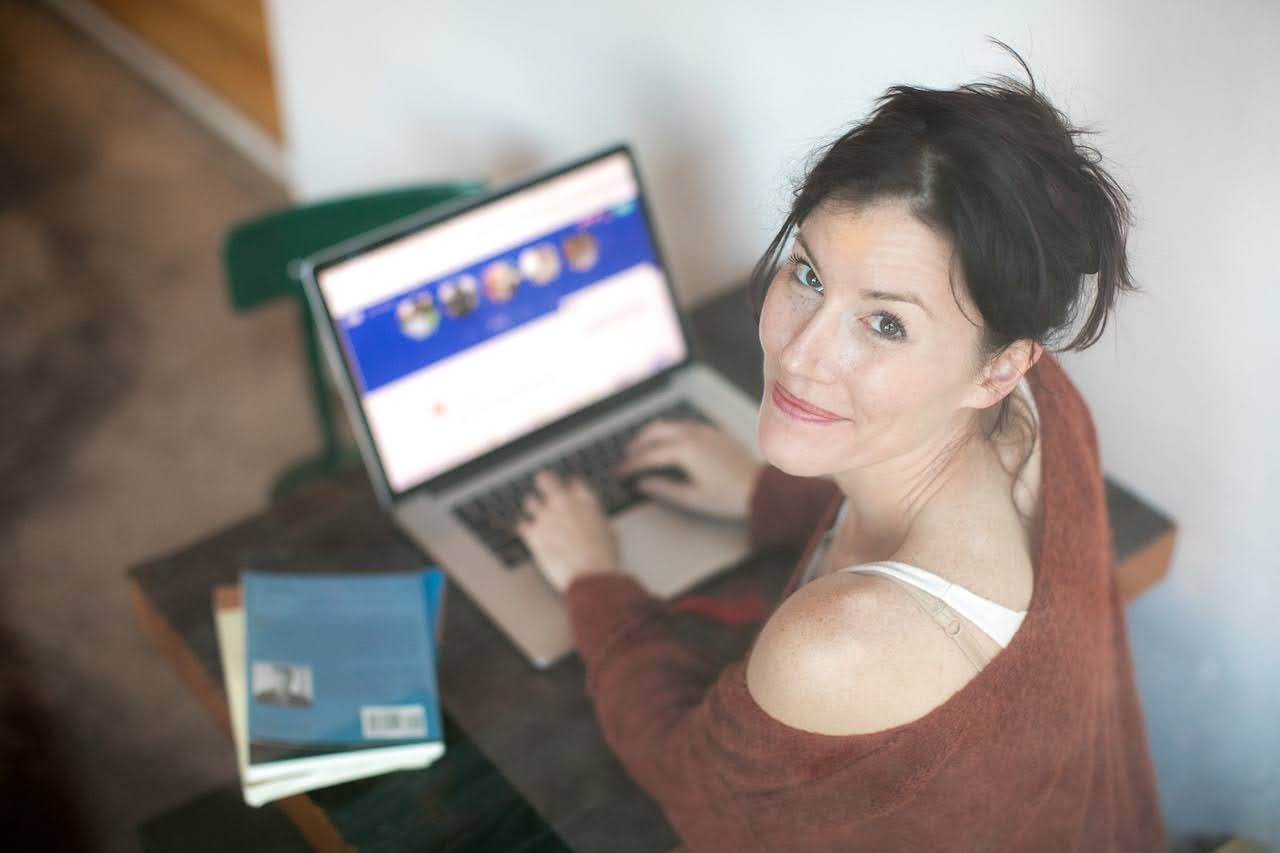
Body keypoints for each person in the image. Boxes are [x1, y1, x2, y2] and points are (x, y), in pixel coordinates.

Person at [514, 40, 1165, 851]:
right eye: (810, 276)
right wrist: (762, 492)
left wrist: (593, 579)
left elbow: (690, 781)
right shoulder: (1042, 402)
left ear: (999, 367)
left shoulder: (831, 648)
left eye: (885, 323)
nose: (800, 354)